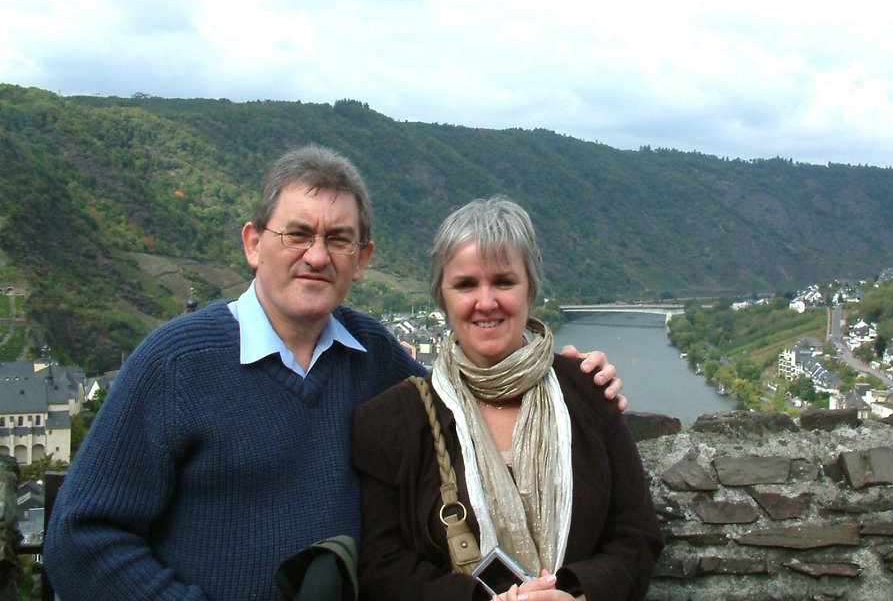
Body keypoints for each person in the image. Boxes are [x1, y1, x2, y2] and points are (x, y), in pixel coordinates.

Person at [44, 147, 625, 601]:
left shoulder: (378, 359)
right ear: (253, 243)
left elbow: (471, 390)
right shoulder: (174, 364)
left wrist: (569, 376)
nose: (317, 256)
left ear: (362, 259)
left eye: (338, 239)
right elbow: (81, 538)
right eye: (296, 233)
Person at [353, 196, 663, 601]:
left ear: (530, 287)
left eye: (503, 281)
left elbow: (636, 536)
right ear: (442, 297)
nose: (486, 302)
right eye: (465, 284)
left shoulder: (587, 394)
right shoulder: (392, 422)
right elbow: (382, 565)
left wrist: (576, 595)